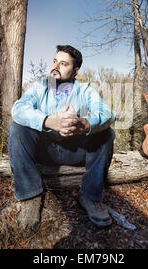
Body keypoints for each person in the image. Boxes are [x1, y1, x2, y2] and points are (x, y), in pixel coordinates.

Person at [8, 45, 115, 237]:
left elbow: (107, 114)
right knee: (16, 128)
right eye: (55, 61)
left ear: (75, 71)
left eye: (63, 63)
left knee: (107, 133)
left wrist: (85, 124)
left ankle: (90, 196)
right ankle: (30, 196)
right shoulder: (41, 86)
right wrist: (48, 121)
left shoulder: (85, 90)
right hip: (45, 150)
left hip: (74, 150)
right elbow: (17, 109)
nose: (56, 66)